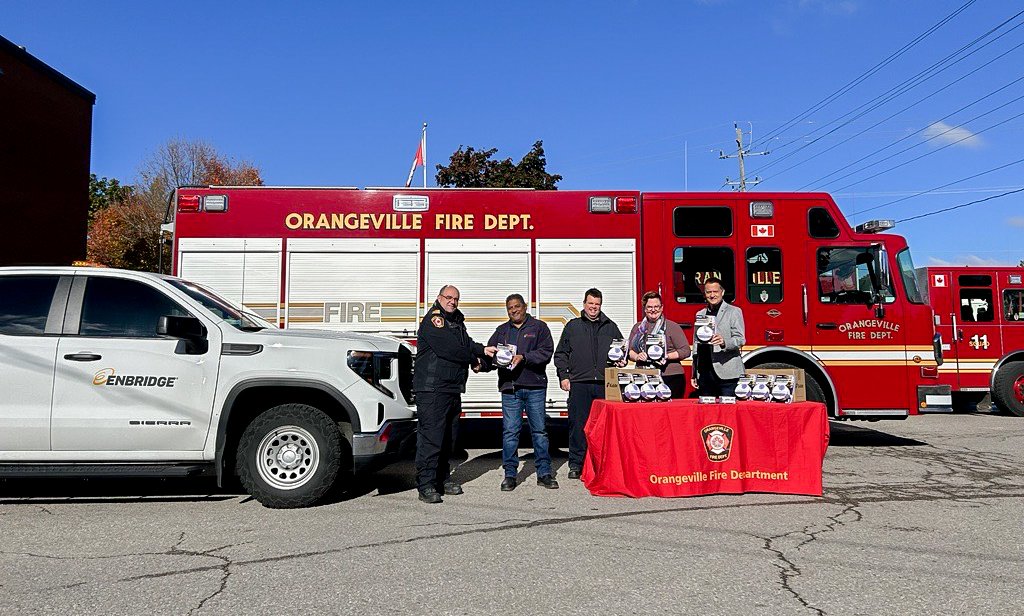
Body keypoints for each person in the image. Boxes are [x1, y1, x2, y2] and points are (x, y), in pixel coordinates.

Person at [413, 285, 495, 504]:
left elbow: (465, 344)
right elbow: (450, 349)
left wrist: (482, 349)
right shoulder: (434, 320)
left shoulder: (456, 320)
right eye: (448, 297)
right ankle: (426, 484)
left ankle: (442, 478)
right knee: (432, 438)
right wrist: (474, 358)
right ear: (439, 298)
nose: (452, 301)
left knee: (448, 438)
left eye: (456, 298)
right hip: (433, 389)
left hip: (450, 388)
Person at [479, 294, 558, 492]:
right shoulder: (502, 331)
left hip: (535, 388)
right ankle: (510, 474)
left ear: (524, 307)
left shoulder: (539, 327)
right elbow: (491, 356)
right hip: (510, 388)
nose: (513, 310)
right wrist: (481, 364)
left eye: (516, 306)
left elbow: (547, 352)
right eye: (509, 308)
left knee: (539, 432)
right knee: (510, 433)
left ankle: (544, 473)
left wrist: (524, 357)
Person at [554, 288, 624, 480]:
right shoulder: (573, 326)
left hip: (603, 383)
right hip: (579, 383)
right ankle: (576, 464)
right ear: (584, 304)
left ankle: (602, 463)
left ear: (601, 305)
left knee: (603, 426)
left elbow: (621, 351)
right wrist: (563, 376)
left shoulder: (611, 327)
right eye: (590, 303)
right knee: (578, 425)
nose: (593, 307)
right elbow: (561, 354)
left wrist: (622, 361)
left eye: (597, 304)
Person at [627, 291, 691, 398]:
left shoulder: (672, 326)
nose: (653, 310)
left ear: (661, 308)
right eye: (649, 307)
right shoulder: (637, 328)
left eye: (656, 306)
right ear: (645, 309)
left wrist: (667, 356)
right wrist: (637, 356)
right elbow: (629, 351)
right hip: (644, 376)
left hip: (670, 377)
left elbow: (686, 350)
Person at [690, 277, 746, 398]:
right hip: (705, 373)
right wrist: (694, 373)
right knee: (706, 414)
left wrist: (724, 342)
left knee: (728, 413)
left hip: (727, 373)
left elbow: (741, 339)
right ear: (705, 294)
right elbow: (696, 344)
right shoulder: (700, 314)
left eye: (715, 291)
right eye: (709, 292)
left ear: (722, 292)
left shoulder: (734, 311)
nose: (712, 295)